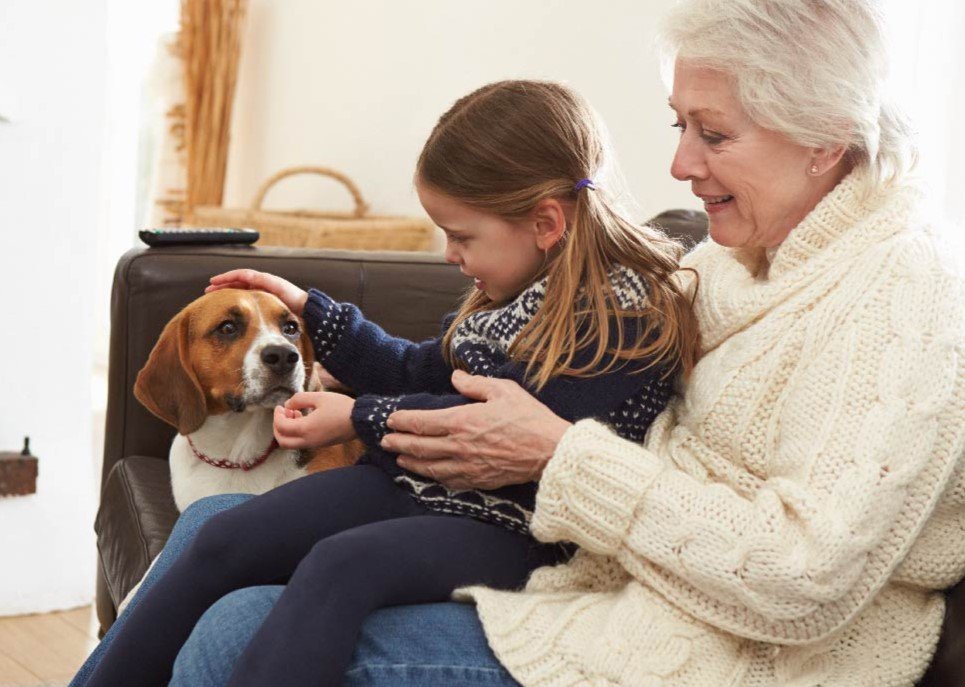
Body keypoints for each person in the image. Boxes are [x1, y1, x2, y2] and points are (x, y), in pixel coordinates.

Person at [147, 0, 965, 685]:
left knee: (233, 630)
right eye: (679, 125)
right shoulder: (730, 259)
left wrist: (558, 455)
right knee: (214, 533)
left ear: (825, 137)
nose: (680, 163)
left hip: (733, 651)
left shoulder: (903, 298)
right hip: (612, 582)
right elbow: (464, 368)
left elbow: (803, 578)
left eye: (713, 135)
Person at [75, 80, 700, 687]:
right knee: (222, 538)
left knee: (341, 566)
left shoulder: (622, 318)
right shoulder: (506, 300)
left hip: (521, 526)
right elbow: (421, 370)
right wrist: (311, 310)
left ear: (545, 224)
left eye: (461, 236)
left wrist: (356, 418)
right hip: (426, 487)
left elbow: (490, 427)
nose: (451, 255)